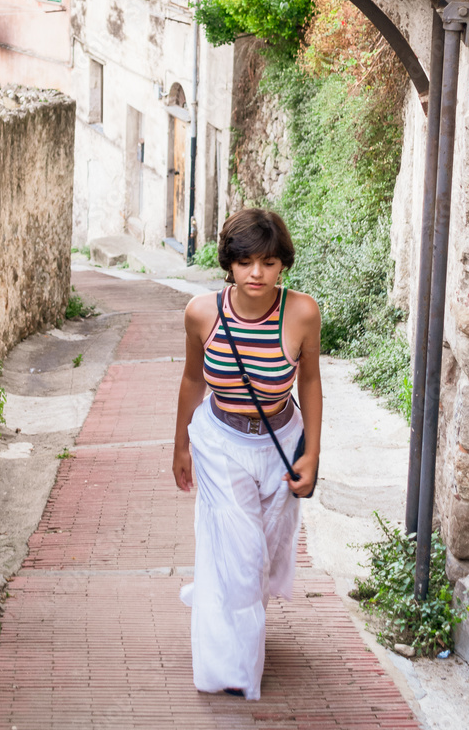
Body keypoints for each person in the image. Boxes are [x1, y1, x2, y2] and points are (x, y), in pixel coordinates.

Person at [173, 207, 322, 701]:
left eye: (268, 262)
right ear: (229, 265)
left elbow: (311, 382)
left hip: (279, 443)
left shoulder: (301, 312)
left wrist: (312, 454)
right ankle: (230, 667)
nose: (256, 273)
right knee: (239, 551)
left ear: (283, 266)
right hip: (220, 443)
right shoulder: (202, 312)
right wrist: (180, 446)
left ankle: (227, 608)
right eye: (245, 262)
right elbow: (194, 379)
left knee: (264, 549)